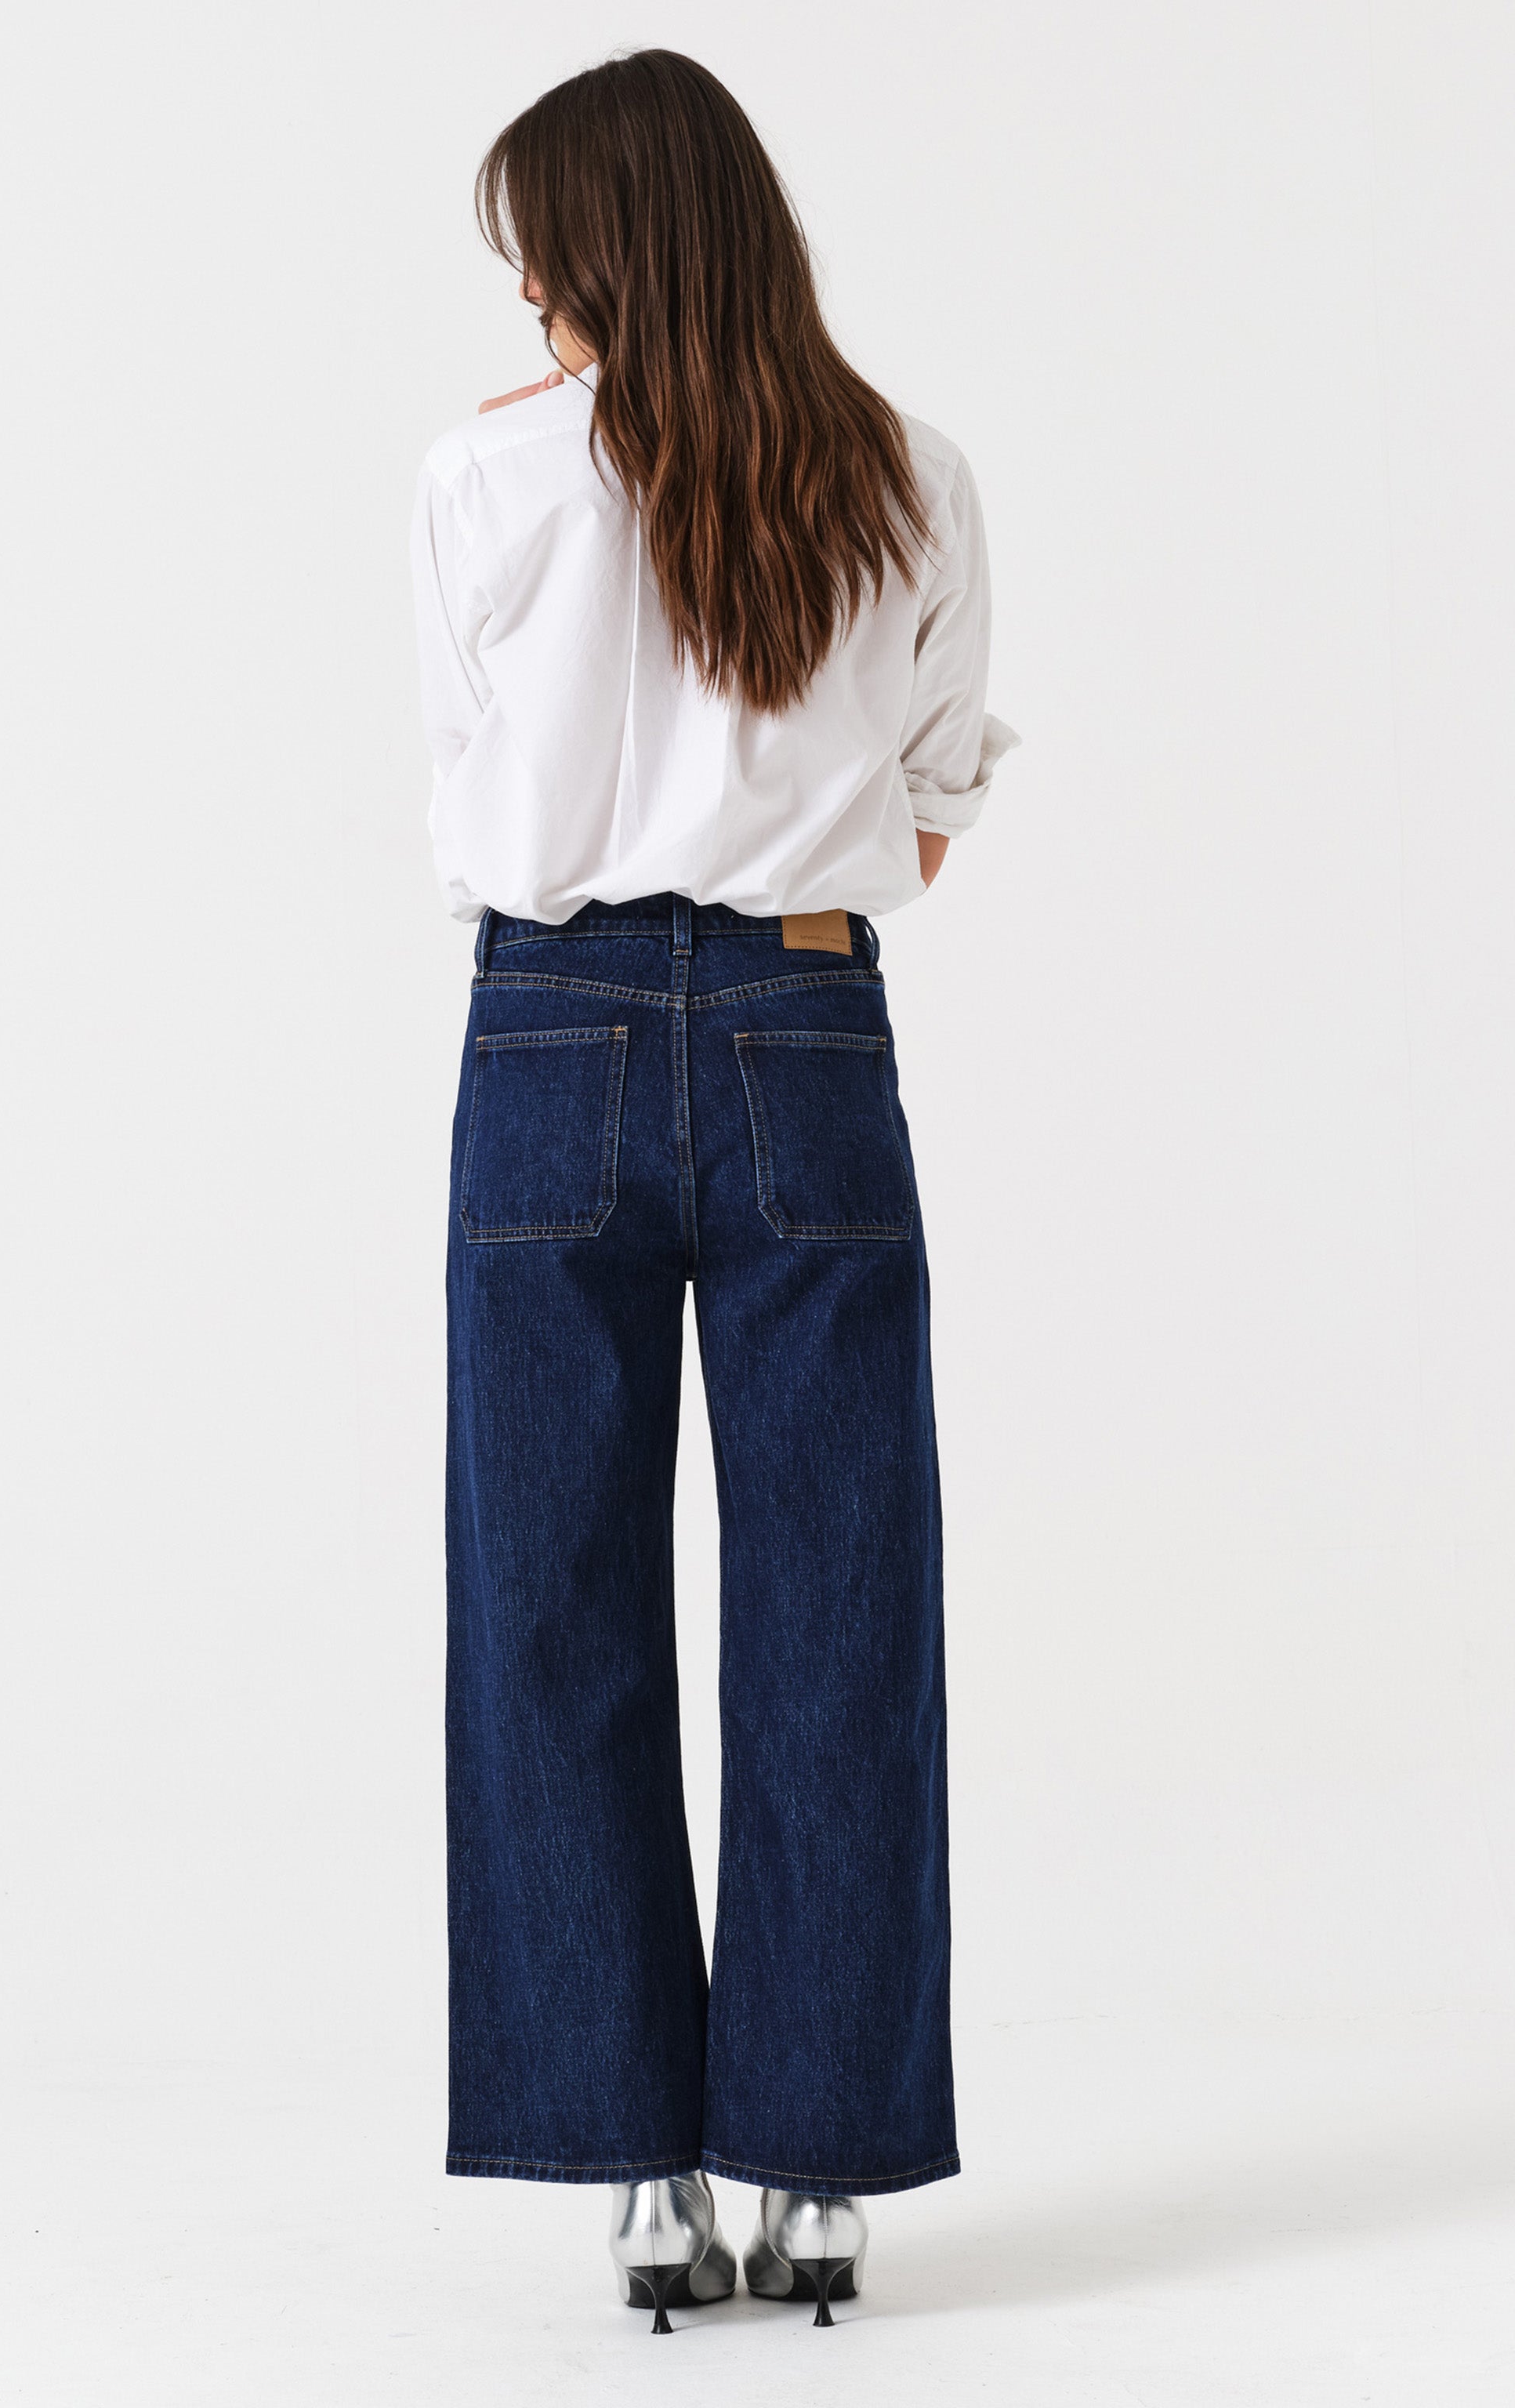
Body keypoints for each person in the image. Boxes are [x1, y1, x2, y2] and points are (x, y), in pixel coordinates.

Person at [410, 48, 1018, 2334]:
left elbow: (471, 800)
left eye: (542, 255)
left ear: (589, 256)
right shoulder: (909, 471)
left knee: (550, 1601)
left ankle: (635, 2172)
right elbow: (934, 818)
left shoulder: (483, 479)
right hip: (804, 1033)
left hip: (547, 1039)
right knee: (843, 1603)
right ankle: (824, 2174)